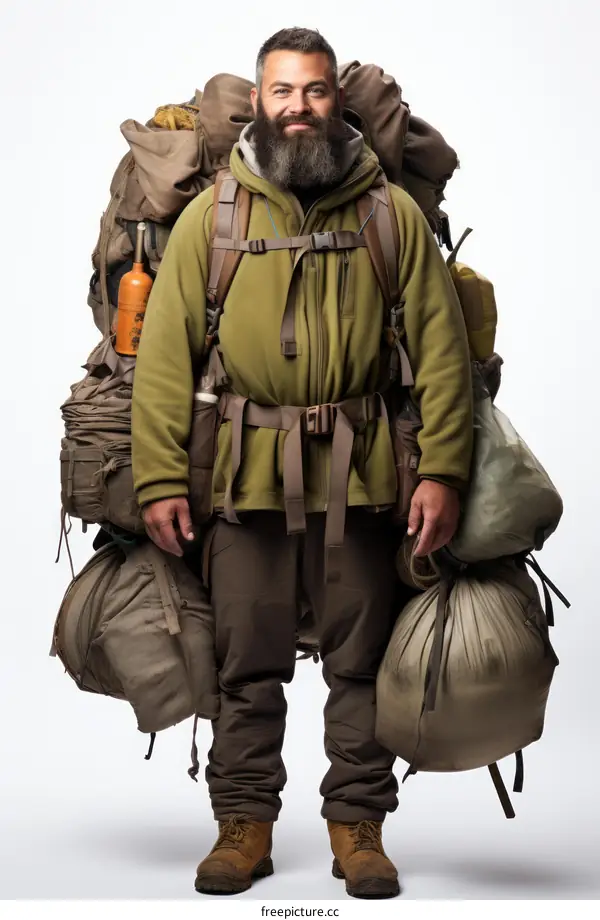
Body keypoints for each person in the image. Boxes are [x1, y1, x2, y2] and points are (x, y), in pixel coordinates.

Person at [131, 26, 473, 899]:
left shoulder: (387, 213)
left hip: (364, 478)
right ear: (259, 100)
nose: (298, 108)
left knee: (362, 662)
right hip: (243, 476)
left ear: (336, 101)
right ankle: (243, 824)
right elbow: (166, 359)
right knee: (247, 663)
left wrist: (443, 472)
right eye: (282, 92)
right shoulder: (216, 215)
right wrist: (162, 477)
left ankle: (357, 826)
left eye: (314, 91)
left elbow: (440, 354)